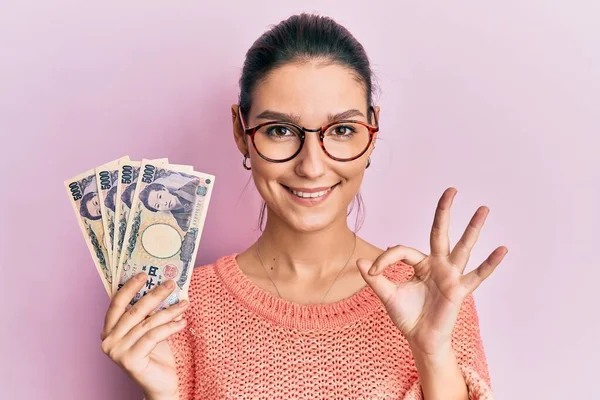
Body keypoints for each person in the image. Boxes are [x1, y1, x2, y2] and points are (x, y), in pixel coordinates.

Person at [100, 13, 507, 400]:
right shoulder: (181, 308)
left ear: (373, 131)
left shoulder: (431, 295)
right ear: (241, 134)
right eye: (280, 130)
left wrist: (433, 352)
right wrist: (163, 396)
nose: (311, 165)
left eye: (343, 129)